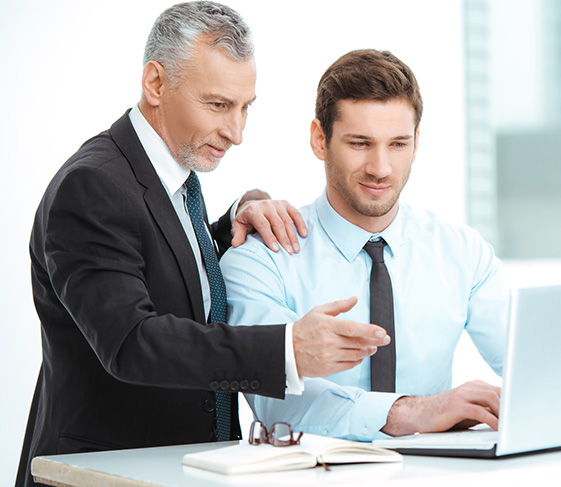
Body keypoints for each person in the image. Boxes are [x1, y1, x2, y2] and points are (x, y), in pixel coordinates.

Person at [16, 4, 390, 486]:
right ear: (155, 83)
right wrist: (286, 349)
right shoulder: (92, 185)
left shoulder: (170, 176)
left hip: (187, 468)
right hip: (105, 471)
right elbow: (130, 341)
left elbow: (163, 263)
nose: (236, 132)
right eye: (217, 105)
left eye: (245, 106)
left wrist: (234, 217)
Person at [220, 49, 508, 442]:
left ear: (417, 142)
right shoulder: (261, 257)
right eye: (360, 143)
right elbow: (274, 398)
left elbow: (531, 363)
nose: (381, 168)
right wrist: (413, 413)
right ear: (320, 140)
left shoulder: (462, 252)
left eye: (398, 144)